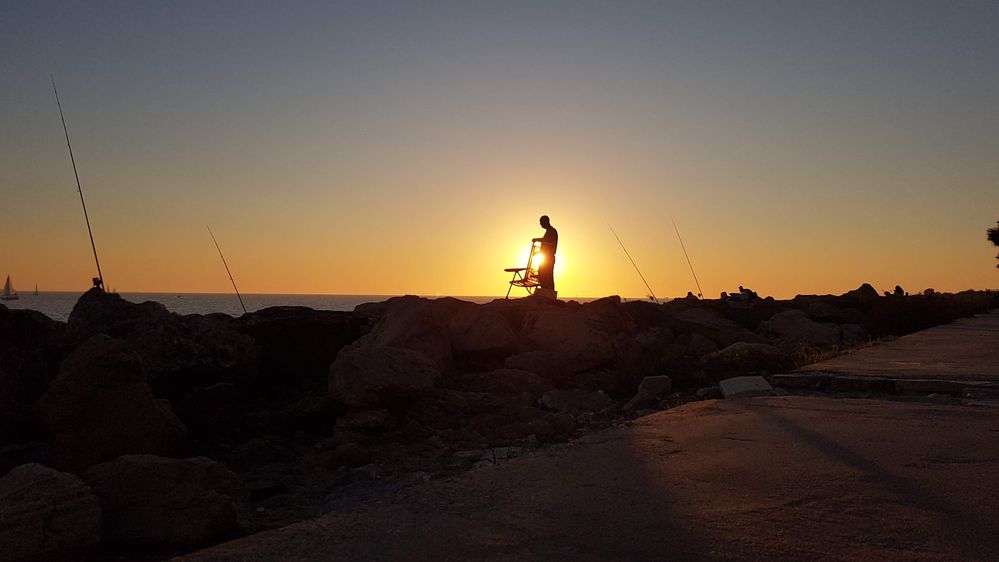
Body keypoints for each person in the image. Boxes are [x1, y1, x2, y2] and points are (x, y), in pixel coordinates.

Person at [532, 215, 558, 292]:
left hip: (549, 258)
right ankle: (546, 291)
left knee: (548, 275)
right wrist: (539, 252)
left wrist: (536, 239)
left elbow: (547, 241)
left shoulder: (552, 231)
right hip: (546, 257)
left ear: (545, 222)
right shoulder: (549, 231)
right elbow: (547, 246)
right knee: (543, 274)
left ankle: (549, 293)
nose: (540, 224)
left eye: (541, 222)